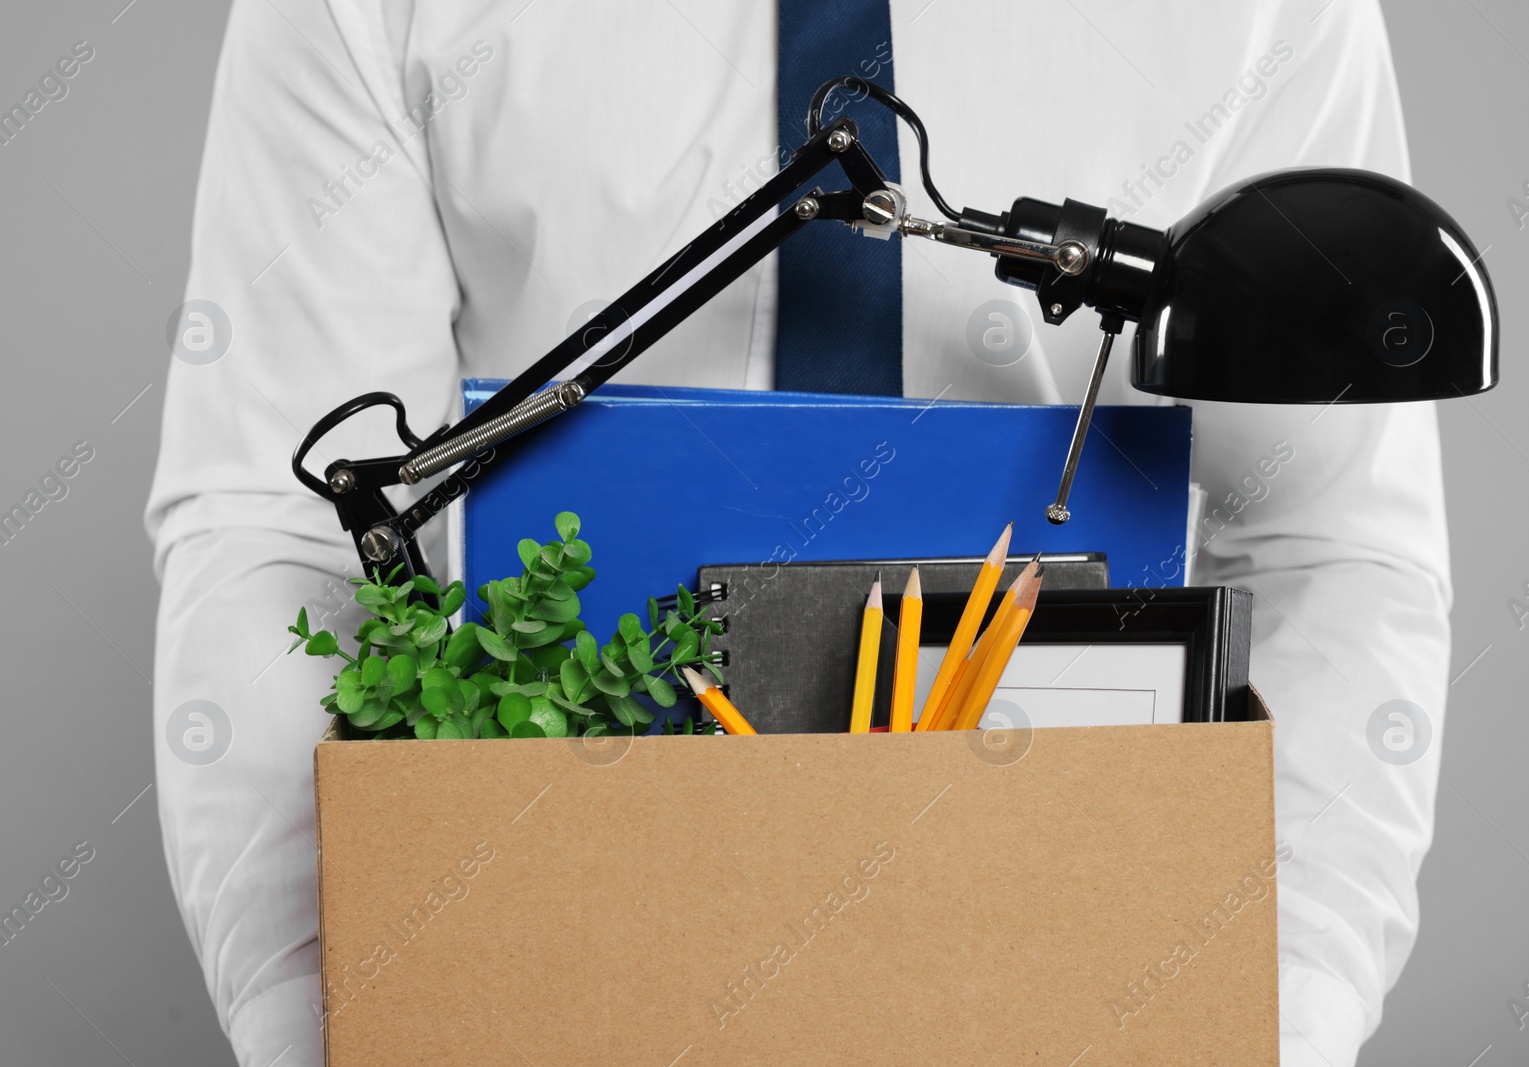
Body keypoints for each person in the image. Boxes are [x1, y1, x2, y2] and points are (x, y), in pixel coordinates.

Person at [146, 2, 1450, 1064]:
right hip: (561, 964)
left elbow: (1322, 546)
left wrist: (1269, 1024)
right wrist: (339, 1017)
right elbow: (279, 523)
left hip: (1080, 958)